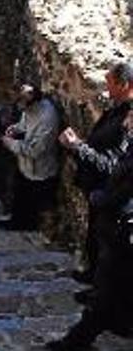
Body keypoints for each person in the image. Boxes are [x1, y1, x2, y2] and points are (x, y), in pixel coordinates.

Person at [47, 107, 133, 350]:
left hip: (122, 231)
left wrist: (98, 198)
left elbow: (119, 186)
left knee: (105, 292)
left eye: (131, 119)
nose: (126, 123)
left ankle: (76, 342)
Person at [59, 61, 133, 283]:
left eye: (109, 83)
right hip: (98, 191)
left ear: (125, 85)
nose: (104, 88)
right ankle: (93, 281)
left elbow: (115, 165)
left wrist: (77, 147)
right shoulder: (115, 111)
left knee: (109, 253)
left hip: (113, 197)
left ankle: (100, 296)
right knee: (95, 241)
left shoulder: (128, 121)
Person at [0, 84, 61, 230]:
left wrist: (9, 143)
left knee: (34, 206)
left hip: (40, 170)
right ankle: (16, 223)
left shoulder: (48, 119)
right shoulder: (30, 108)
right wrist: (15, 129)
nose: (21, 109)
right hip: (26, 166)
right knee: (20, 197)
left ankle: (32, 227)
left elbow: (35, 151)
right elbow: (25, 122)